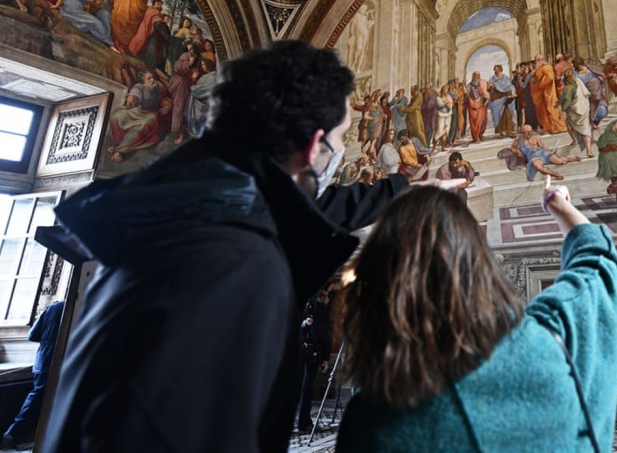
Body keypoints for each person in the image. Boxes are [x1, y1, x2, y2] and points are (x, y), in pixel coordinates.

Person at [42, 40, 447, 453]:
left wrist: (401, 190)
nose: (340, 154)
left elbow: (303, 206)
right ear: (314, 147)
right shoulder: (234, 261)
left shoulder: (201, 204)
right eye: (341, 138)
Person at [335, 180, 617, 451]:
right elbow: (596, 262)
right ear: (479, 266)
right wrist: (557, 203)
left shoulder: (367, 424)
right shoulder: (547, 340)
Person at [2, 301, 65, 449]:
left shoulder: (52, 308)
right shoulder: (77, 307)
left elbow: (32, 335)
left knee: (37, 397)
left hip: (42, 361)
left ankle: (15, 434)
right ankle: (15, 434)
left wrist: (47, 339)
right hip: (57, 360)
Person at [296, 279, 340, 433]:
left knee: (307, 388)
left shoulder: (329, 305)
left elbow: (328, 334)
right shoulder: (311, 302)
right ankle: (299, 422)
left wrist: (326, 358)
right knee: (300, 387)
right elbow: (298, 324)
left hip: (317, 351)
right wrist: (305, 324)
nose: (334, 287)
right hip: (304, 349)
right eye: (332, 285)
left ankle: (304, 422)